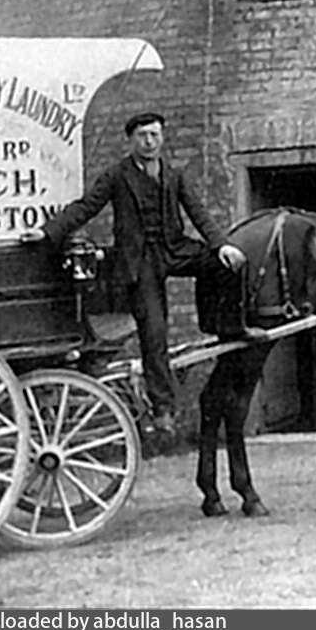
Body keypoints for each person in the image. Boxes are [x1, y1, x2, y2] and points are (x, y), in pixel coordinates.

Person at [22, 111, 245, 444]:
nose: (150, 141)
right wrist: (46, 232)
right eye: (143, 136)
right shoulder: (117, 176)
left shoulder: (175, 175)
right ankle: (164, 409)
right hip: (139, 263)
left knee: (224, 263)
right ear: (131, 140)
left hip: (173, 249)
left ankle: (225, 323)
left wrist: (222, 245)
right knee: (154, 330)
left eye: (155, 135)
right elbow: (85, 207)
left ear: (162, 138)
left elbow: (198, 213)